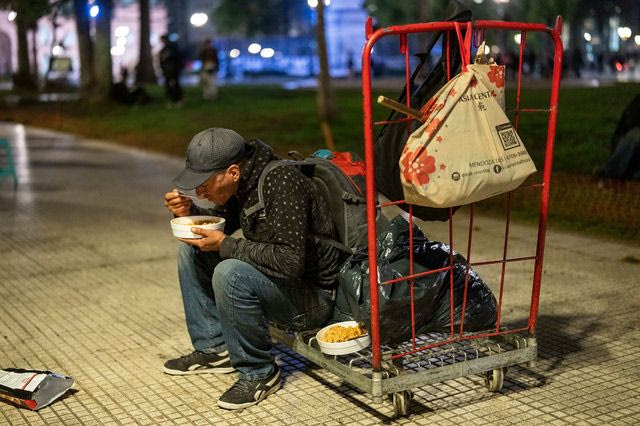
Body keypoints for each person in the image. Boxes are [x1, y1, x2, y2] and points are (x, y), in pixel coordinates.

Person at [162, 128, 344, 410]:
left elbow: (291, 262)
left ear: (233, 172)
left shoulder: (281, 183)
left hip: (315, 298)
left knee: (230, 273)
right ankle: (214, 349)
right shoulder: (245, 184)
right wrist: (185, 214)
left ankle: (260, 372)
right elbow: (215, 227)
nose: (200, 192)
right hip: (283, 283)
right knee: (192, 246)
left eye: (205, 183)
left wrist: (226, 246)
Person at [159, 34, 184, 107]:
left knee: (175, 84)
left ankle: (178, 99)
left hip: (174, 69)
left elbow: (177, 57)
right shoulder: (164, 49)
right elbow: (161, 60)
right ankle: (171, 99)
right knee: (168, 85)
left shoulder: (172, 48)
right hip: (167, 70)